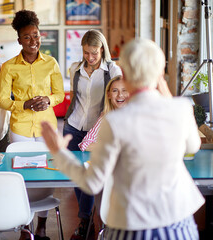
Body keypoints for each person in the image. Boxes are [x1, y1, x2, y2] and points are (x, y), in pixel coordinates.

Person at [41, 38, 204, 240]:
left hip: (131, 227)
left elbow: (92, 183)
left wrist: (59, 153)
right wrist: (166, 94)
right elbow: (193, 145)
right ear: (161, 72)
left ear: (124, 73)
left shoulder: (115, 121)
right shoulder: (180, 108)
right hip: (179, 224)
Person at [0, 10, 64, 240]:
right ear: (19, 40)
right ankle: (26, 226)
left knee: (46, 175)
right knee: (23, 177)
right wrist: (24, 104)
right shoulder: (9, 67)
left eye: (36, 35)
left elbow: (60, 94)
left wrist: (48, 100)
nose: (33, 41)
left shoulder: (51, 63)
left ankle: (42, 225)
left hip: (47, 127)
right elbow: (2, 100)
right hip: (21, 129)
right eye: (27, 37)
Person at [63, 29, 122, 239]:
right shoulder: (75, 69)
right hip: (73, 127)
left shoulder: (113, 70)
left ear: (102, 49)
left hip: (97, 130)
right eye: (86, 52)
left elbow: (117, 99)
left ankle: (87, 218)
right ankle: (86, 218)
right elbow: (74, 98)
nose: (90, 57)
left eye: (94, 53)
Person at [79, 75, 128, 153]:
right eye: (115, 90)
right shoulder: (106, 117)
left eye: (124, 90)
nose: (120, 95)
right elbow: (85, 144)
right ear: (108, 95)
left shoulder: (140, 116)